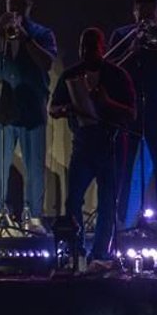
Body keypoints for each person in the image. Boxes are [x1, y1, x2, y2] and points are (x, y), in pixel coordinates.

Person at [0, 0, 56, 227]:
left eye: (21, 6)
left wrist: (25, 36)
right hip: (1, 106)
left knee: (35, 167)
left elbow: (47, 63)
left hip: (31, 106)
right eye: (12, 6)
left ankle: (34, 217)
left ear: (30, 7)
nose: (16, 11)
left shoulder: (42, 33)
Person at [50, 28, 135, 264]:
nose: (86, 51)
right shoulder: (71, 75)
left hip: (112, 145)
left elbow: (132, 113)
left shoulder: (117, 75)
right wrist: (67, 108)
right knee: (73, 200)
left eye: (91, 47)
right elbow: (53, 108)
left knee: (108, 202)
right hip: (83, 145)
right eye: (82, 47)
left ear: (102, 48)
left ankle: (100, 253)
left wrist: (106, 102)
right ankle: (76, 249)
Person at [107, 0, 157, 233]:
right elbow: (111, 69)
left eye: (151, 15)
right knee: (122, 166)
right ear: (135, 13)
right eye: (142, 15)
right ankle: (116, 218)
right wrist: (132, 48)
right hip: (128, 109)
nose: (147, 20)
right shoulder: (121, 35)